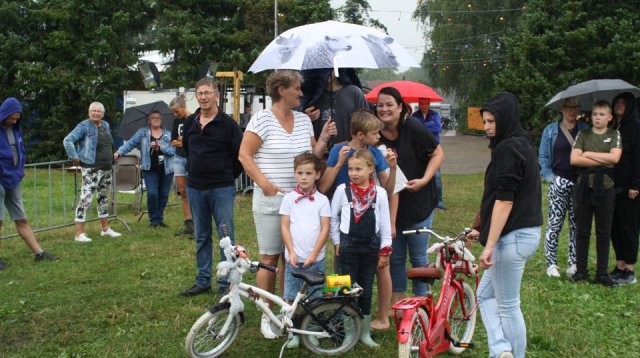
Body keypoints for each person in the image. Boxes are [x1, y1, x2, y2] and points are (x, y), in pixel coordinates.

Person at [238, 70, 334, 339]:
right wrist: (266, 185)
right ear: (281, 90)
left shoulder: (304, 120)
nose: (301, 94)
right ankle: (267, 316)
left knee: (291, 260)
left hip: (303, 204)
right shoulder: (262, 120)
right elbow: (244, 155)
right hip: (271, 201)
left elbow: (311, 158)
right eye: (297, 89)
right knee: (270, 258)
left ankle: (286, 311)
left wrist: (324, 138)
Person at [467, 92, 542, 358]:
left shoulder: (508, 148)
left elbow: (504, 202)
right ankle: (501, 350)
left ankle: (511, 354)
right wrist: (481, 228)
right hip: (523, 234)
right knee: (485, 296)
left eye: (492, 121)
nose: (486, 126)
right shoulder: (521, 144)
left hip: (512, 238)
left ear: (506, 119)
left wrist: (488, 245)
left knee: (509, 305)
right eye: (485, 121)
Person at [318, 108, 396, 330]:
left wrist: (393, 169)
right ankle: (341, 315)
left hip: (370, 216)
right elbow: (323, 187)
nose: (378, 137)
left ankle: (380, 316)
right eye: (374, 133)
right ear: (361, 135)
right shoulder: (337, 150)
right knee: (341, 269)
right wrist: (340, 162)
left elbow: (388, 189)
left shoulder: (374, 153)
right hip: (344, 220)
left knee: (379, 268)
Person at [376, 87, 444, 307]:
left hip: (419, 204)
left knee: (418, 258)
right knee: (394, 258)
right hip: (390, 207)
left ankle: (421, 302)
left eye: (389, 105)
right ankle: (398, 302)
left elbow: (438, 153)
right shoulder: (374, 135)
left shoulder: (413, 127)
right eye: (380, 105)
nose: (384, 109)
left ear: (400, 107)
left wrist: (424, 179)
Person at [179, 78, 243, 297]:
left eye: (207, 92)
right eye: (200, 93)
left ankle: (226, 283)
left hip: (221, 188)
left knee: (226, 237)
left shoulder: (228, 125)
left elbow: (239, 157)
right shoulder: (190, 123)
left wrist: (225, 176)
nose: (203, 97)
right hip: (195, 188)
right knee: (202, 235)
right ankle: (203, 280)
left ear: (216, 95)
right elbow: (187, 149)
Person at [330, 148, 392, 347]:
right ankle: (346, 331)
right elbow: (333, 218)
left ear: (371, 169)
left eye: (358, 169)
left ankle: (364, 332)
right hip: (347, 246)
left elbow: (385, 225)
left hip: (370, 247)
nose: (354, 174)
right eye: (350, 169)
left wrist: (384, 250)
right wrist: (337, 242)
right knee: (344, 287)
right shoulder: (342, 190)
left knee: (365, 289)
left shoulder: (380, 193)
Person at [0, 97, 58, 270]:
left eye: (17, 117)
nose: (15, 120)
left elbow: (20, 151)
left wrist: (19, 171)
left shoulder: (15, 130)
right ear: (4, 113)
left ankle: (39, 253)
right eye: (12, 117)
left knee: (21, 218)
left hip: (14, 179)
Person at [280, 152, 330, 349]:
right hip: (293, 259)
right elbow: (284, 226)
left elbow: (325, 228)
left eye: (308, 173)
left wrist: (313, 255)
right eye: (300, 173)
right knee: (291, 296)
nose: (303, 177)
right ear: (295, 174)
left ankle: (315, 329)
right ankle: (292, 331)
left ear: (317, 175)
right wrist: (291, 251)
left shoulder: (322, 200)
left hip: (314, 259)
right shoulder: (288, 199)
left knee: (316, 296)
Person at [570, 100, 621, 287]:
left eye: (601, 114)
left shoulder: (614, 134)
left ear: (609, 117)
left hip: (606, 188)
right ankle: (581, 271)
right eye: (595, 114)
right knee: (582, 231)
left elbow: (614, 158)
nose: (597, 117)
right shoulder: (583, 134)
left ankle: (601, 273)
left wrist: (588, 155)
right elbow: (575, 159)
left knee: (603, 232)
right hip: (584, 187)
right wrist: (602, 160)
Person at [538, 97, 589, 278]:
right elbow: (543, 156)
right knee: (555, 223)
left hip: (580, 182)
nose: (572, 111)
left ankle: (573, 263)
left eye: (576, 107)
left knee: (577, 224)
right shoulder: (551, 130)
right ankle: (551, 264)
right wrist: (550, 178)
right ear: (562, 109)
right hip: (559, 181)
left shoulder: (584, 130)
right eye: (569, 107)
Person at [63, 102, 122, 242]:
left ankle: (105, 229)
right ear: (89, 112)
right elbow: (68, 140)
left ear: (103, 113)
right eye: (93, 111)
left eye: (99, 111)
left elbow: (107, 143)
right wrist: (74, 157)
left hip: (106, 168)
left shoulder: (106, 125)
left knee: (103, 197)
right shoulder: (84, 126)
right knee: (85, 198)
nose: (96, 113)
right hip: (91, 168)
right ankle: (78, 234)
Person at [114, 110, 175, 228]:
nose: (156, 119)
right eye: (153, 118)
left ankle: (159, 219)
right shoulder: (142, 133)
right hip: (149, 169)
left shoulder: (168, 134)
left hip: (167, 170)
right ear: (149, 120)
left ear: (161, 119)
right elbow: (130, 144)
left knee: (163, 195)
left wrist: (161, 147)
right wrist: (119, 152)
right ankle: (153, 220)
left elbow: (173, 151)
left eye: (158, 117)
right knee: (152, 194)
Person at [610, 92, 640, 285]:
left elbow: (638, 157)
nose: (620, 105)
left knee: (629, 227)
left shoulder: (636, 127)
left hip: (630, 187)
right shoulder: (613, 127)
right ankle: (620, 265)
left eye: (623, 103)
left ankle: (630, 269)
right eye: (617, 102)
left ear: (630, 106)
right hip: (612, 185)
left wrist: (636, 184)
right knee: (614, 226)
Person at [300, 68, 368, 143]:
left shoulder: (354, 93)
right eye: (322, 69)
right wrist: (305, 118)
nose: (325, 73)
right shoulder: (310, 97)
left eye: (329, 68)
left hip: (350, 152)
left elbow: (368, 125)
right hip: (320, 152)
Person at [412, 97, 446, 210]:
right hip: (420, 149)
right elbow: (414, 130)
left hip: (433, 149)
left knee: (436, 177)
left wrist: (422, 127)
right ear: (419, 104)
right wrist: (428, 125)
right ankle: (422, 199)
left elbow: (437, 128)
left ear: (429, 104)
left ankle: (439, 201)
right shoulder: (414, 116)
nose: (424, 105)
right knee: (421, 174)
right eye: (422, 103)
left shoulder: (435, 114)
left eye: (426, 103)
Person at [169, 95, 194, 239]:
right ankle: (188, 223)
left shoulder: (193, 119)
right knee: (183, 191)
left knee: (194, 192)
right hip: (179, 158)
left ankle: (198, 224)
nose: (175, 114)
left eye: (177, 111)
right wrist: (183, 141)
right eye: (173, 112)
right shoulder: (176, 121)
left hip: (192, 158)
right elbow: (173, 141)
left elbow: (194, 140)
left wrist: (183, 140)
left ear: (184, 107)